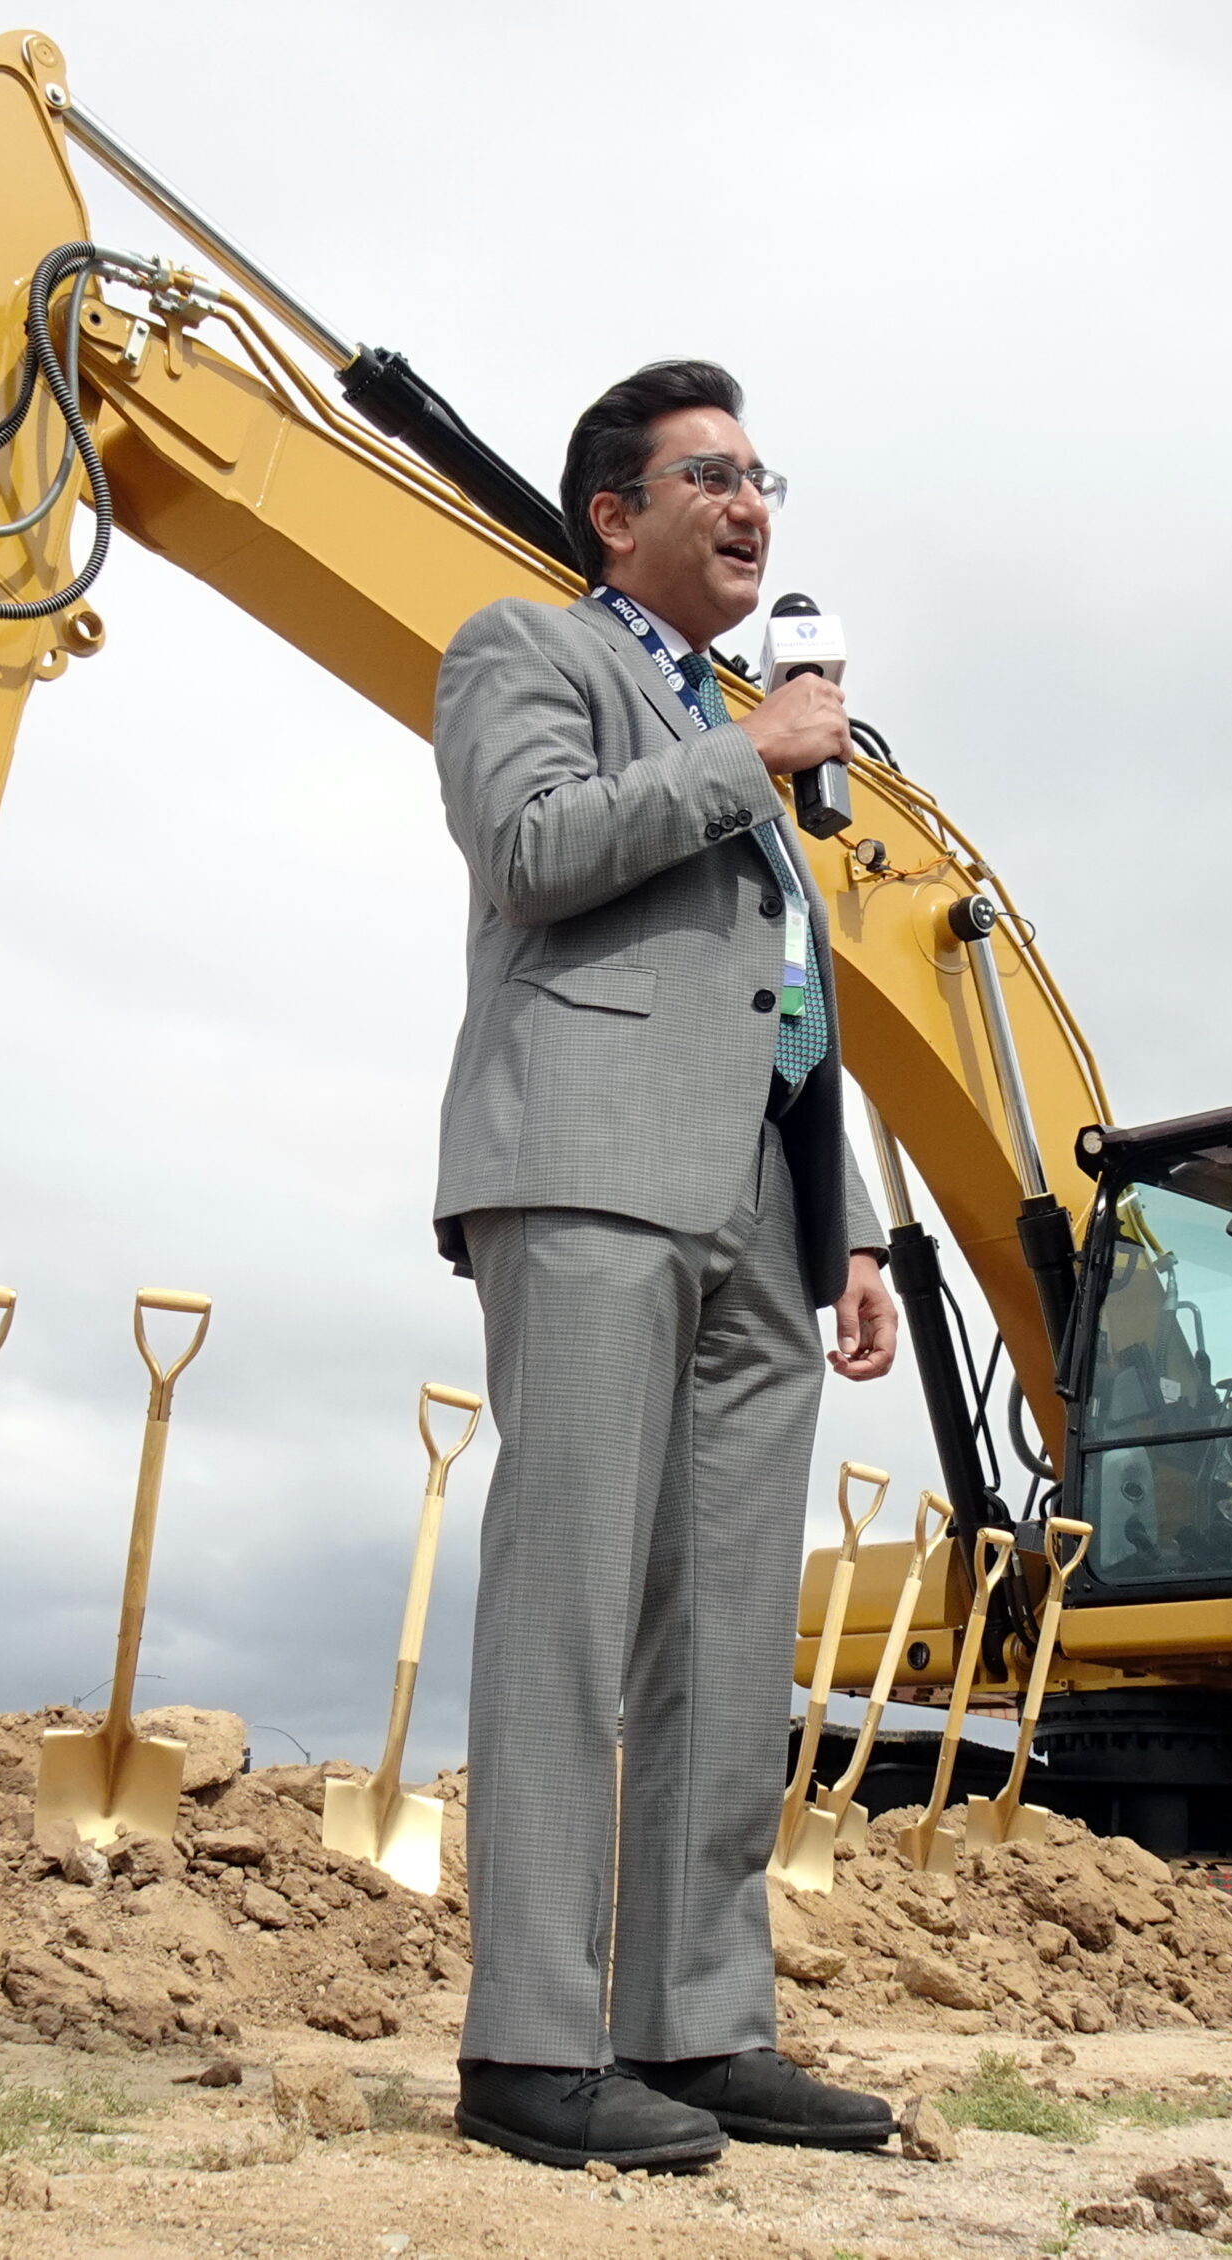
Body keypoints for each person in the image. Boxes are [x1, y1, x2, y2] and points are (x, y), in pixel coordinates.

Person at [431, 361, 902, 2172]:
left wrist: (844, 1220)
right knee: (571, 1603)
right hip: (591, 1175)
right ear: (615, 513)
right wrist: (748, 754)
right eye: (709, 474)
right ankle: (532, 2046)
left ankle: (697, 2027)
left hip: (756, 1227)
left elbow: (786, 991)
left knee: (724, 1637)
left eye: (762, 475)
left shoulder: (749, 737)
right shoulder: (524, 649)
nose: (751, 502)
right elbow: (531, 847)